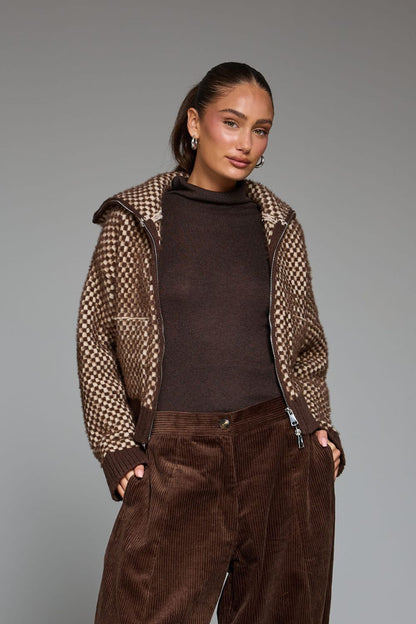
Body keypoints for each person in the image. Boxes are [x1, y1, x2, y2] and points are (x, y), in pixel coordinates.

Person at [77, 61, 345, 624]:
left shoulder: (278, 223)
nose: (246, 142)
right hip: (176, 453)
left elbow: (306, 342)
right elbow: (96, 337)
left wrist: (319, 427)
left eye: (261, 129)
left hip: (279, 453)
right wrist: (117, 448)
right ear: (195, 123)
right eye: (232, 122)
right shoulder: (135, 220)